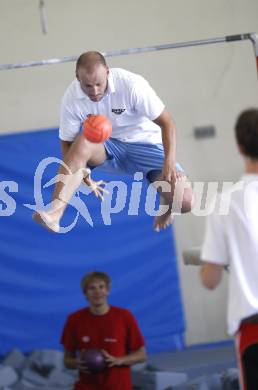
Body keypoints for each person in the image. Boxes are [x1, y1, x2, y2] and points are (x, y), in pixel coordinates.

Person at [32, 51, 193, 233]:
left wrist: (169, 163)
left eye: (99, 84)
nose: (94, 91)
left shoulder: (132, 85)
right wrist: (80, 174)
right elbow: (67, 143)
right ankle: (55, 212)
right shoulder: (71, 98)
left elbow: (168, 122)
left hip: (147, 145)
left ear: (108, 72)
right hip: (108, 148)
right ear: (77, 77)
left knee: (185, 202)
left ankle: (167, 203)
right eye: (87, 86)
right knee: (84, 138)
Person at [200, 108, 258, 390]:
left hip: (253, 329)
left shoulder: (225, 203)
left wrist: (215, 260)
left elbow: (210, 281)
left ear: (239, 147)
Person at [61, 271, 146, 390]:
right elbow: (66, 360)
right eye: (92, 288)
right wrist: (76, 363)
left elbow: (141, 355)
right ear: (85, 293)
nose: (97, 292)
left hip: (118, 387)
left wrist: (119, 360)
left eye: (101, 287)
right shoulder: (74, 319)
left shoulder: (124, 316)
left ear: (108, 290)